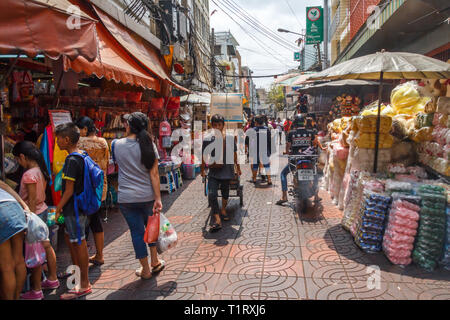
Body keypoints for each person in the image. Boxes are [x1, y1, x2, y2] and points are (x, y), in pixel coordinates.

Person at [111, 112, 165, 280]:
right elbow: (154, 174)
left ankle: (146, 269)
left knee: (136, 233)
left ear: (129, 125)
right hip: (147, 196)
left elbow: (117, 166)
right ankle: (155, 260)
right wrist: (158, 198)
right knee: (151, 229)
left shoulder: (116, 144)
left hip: (126, 198)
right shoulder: (149, 144)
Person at [12, 141, 59, 299]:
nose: (19, 163)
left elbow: (31, 200)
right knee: (46, 246)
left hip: (34, 215)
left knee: (35, 252)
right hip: (44, 210)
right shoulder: (41, 170)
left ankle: (36, 290)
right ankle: (52, 279)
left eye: (18, 160)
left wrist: (29, 221)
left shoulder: (29, 174)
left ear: (23, 157)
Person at [54, 122, 92, 299]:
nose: (57, 142)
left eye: (58, 139)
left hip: (74, 209)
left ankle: (84, 284)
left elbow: (68, 190)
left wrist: (58, 208)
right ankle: (78, 278)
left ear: (67, 140)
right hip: (80, 207)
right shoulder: (82, 155)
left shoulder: (71, 160)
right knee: (77, 241)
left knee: (79, 243)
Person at [76, 116, 109, 266]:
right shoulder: (103, 142)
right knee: (95, 220)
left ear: (84, 129)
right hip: (100, 186)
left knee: (83, 224)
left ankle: (81, 261)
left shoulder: (79, 142)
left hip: (84, 188)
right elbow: (107, 162)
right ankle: (100, 255)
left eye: (79, 129)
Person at [201, 114, 241, 232]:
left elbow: (234, 154)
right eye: (215, 125)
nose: (217, 127)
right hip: (213, 170)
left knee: (225, 192)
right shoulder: (207, 138)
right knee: (212, 194)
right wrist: (202, 170)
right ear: (212, 126)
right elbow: (204, 155)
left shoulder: (229, 138)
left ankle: (223, 209)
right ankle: (217, 218)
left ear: (223, 125)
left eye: (219, 125)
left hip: (227, 170)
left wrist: (237, 168)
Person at [276, 114, 326, 206]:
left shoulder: (291, 133)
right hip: (308, 159)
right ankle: (316, 196)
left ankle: (284, 196)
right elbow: (314, 143)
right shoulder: (310, 132)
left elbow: (288, 147)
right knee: (315, 173)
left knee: (283, 174)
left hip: (295, 160)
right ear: (304, 122)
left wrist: (287, 152)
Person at [0, 180, 29, 300]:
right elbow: (5, 186)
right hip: (15, 208)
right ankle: (17, 297)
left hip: (1, 212)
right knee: (19, 260)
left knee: (7, 266)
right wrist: (25, 206)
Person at [250, 115, 272, 185]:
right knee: (267, 165)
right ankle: (269, 179)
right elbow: (269, 141)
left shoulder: (253, 130)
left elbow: (251, 141)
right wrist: (270, 151)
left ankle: (254, 178)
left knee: (255, 165)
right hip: (265, 150)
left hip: (255, 150)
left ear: (256, 122)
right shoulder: (267, 129)